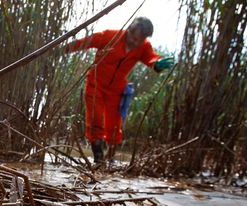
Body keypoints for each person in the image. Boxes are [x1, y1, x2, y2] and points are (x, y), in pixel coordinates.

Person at [63, 17, 174, 164]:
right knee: (95, 119)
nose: (135, 43)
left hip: (116, 90)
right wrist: (62, 49)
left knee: (114, 127)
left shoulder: (144, 47)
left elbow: (151, 58)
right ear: (129, 30)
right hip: (95, 83)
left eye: (140, 41)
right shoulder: (110, 36)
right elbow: (86, 41)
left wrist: (158, 63)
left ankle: (111, 159)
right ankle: (98, 158)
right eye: (134, 38)